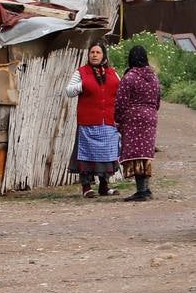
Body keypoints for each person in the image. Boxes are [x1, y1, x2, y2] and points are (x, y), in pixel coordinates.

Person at [64, 41, 121, 197]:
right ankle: (86, 188)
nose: (94, 55)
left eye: (98, 52)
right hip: (88, 122)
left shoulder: (112, 73)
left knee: (106, 155)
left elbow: (120, 90)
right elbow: (69, 91)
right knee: (87, 155)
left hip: (108, 122)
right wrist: (83, 84)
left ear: (103, 55)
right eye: (92, 52)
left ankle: (104, 186)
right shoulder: (81, 73)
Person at [115, 45, 162, 202]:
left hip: (133, 118)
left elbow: (121, 101)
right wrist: (151, 113)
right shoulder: (154, 77)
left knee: (135, 154)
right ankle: (146, 189)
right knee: (145, 154)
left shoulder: (129, 78)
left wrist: (118, 119)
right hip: (150, 117)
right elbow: (157, 100)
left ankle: (141, 190)